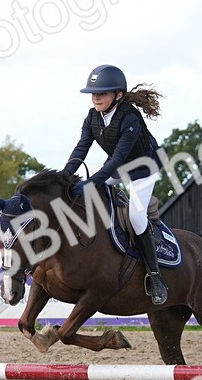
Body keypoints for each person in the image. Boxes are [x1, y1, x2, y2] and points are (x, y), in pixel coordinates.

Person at [62, 64, 168, 305]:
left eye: (102, 93)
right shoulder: (92, 117)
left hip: (143, 167)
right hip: (119, 166)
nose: (96, 98)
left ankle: (155, 276)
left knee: (136, 217)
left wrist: (92, 182)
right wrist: (64, 176)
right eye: (93, 93)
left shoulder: (130, 117)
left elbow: (118, 158)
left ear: (118, 95)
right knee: (89, 196)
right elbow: (81, 148)